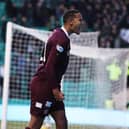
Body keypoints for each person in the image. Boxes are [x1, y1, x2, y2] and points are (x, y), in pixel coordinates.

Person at [25, 9, 83, 129]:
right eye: (80, 20)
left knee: (61, 120)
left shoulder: (60, 35)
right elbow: (49, 66)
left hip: (50, 85)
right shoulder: (61, 38)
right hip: (44, 85)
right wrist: (55, 89)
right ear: (71, 22)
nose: (82, 23)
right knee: (35, 123)